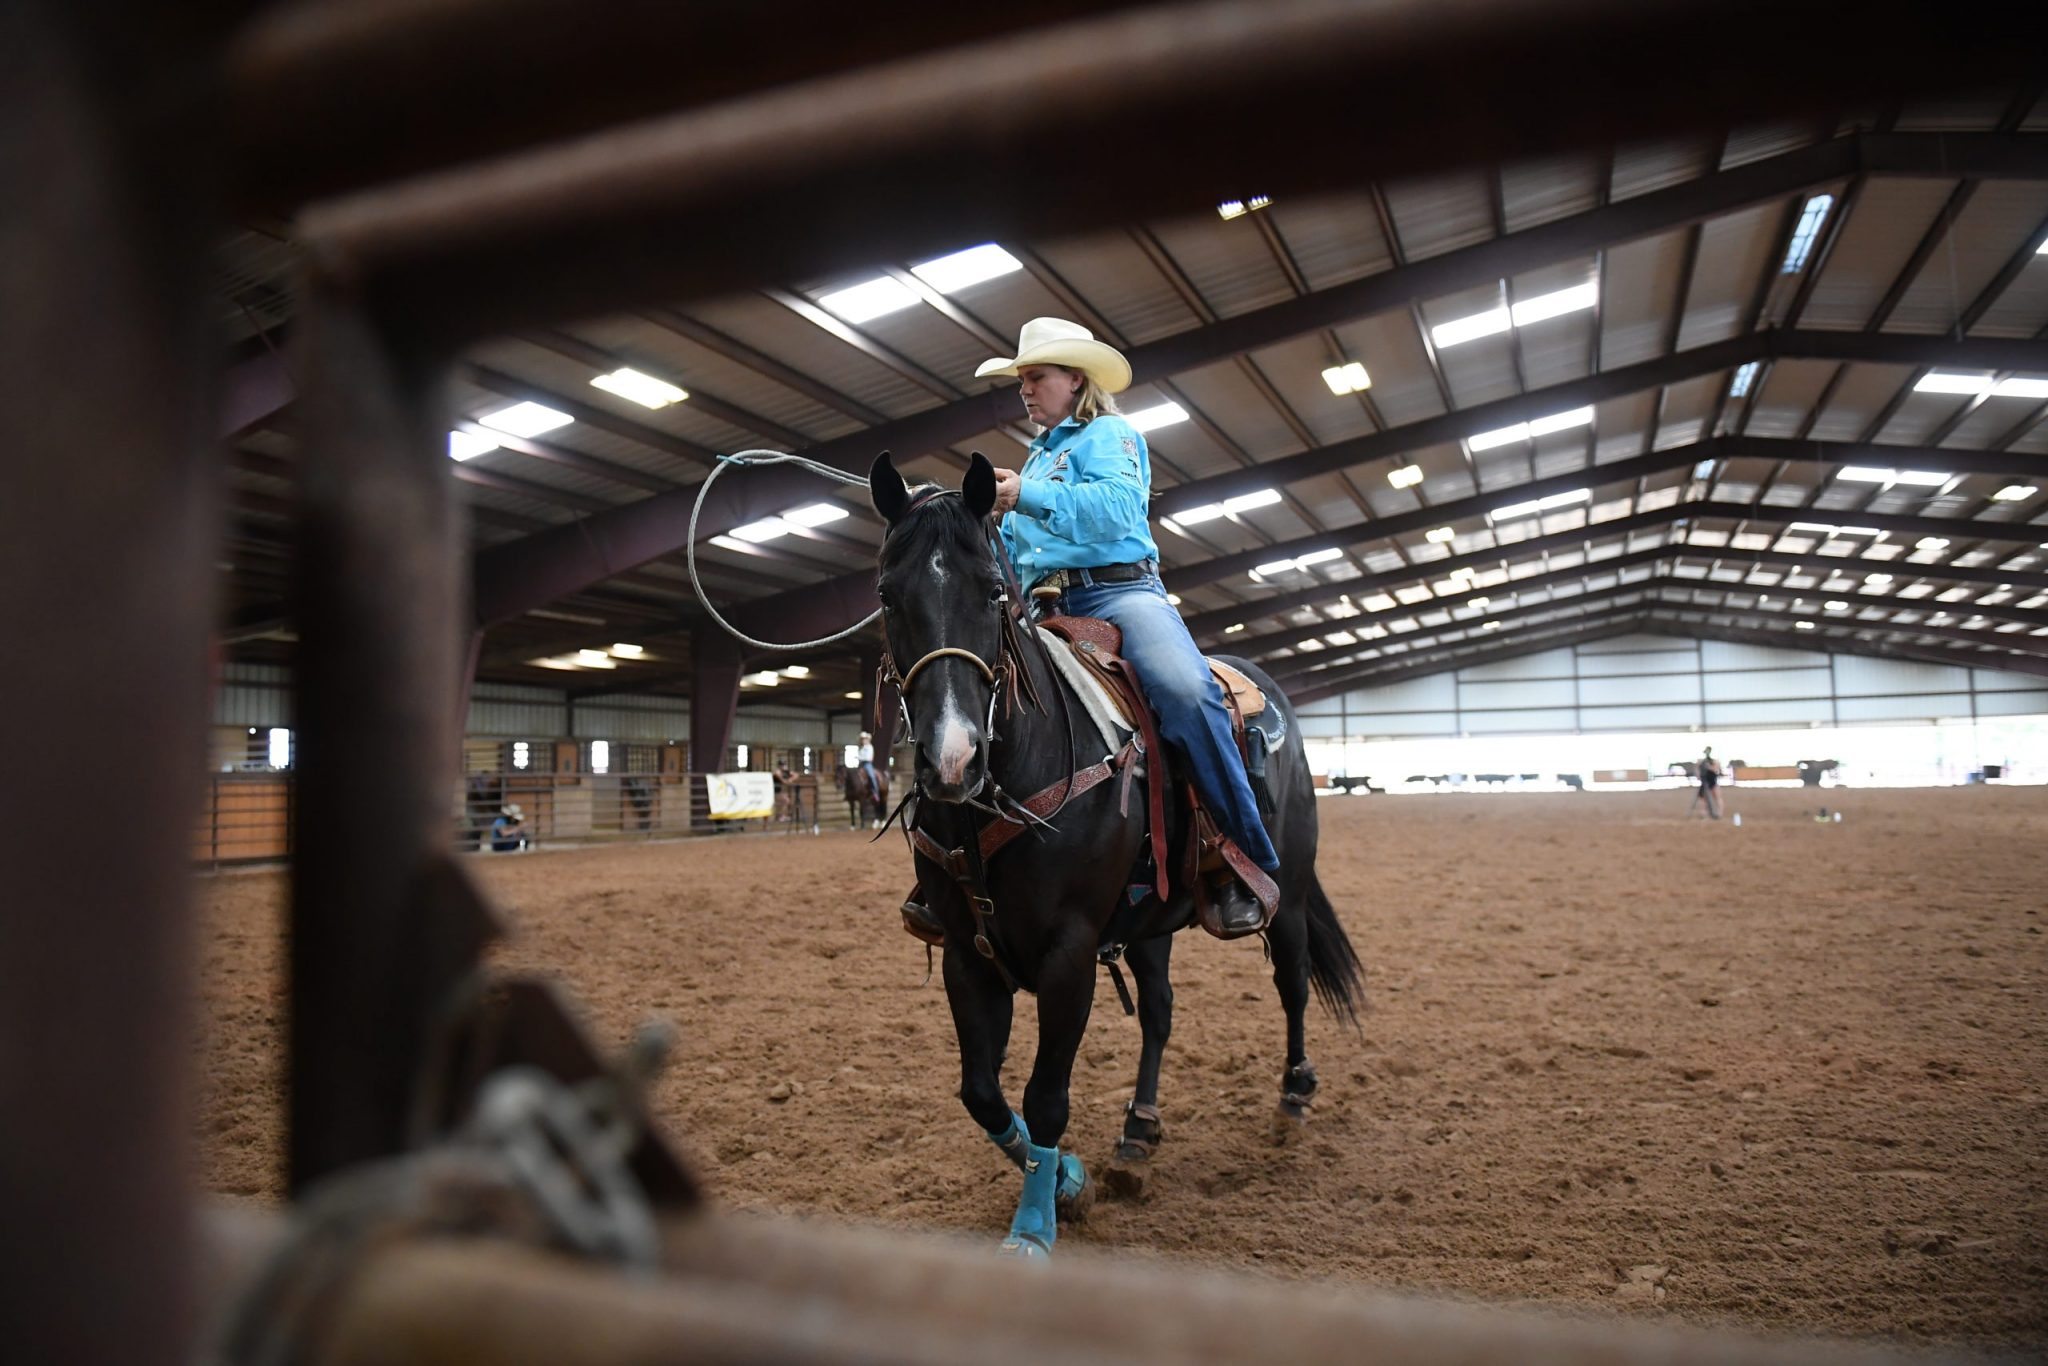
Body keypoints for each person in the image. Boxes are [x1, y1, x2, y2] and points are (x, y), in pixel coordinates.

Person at [932, 316, 1277, 939]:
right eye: (1021, 380)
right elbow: (1016, 555)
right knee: (967, 692)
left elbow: (1118, 508)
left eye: (1036, 377)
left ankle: (1234, 856)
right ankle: (949, 865)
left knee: (1186, 692)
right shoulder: (1037, 458)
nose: (1024, 390)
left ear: (1075, 379)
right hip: (1041, 609)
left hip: (1120, 595)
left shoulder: (1110, 435)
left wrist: (1026, 495)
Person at [1688, 746, 1723, 820]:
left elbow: (1716, 770)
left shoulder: (1714, 761)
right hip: (1704, 782)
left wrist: (1709, 767)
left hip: (1713, 782)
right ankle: (1703, 814)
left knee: (1717, 797)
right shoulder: (1701, 761)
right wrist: (1698, 775)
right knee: (1703, 799)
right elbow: (1697, 769)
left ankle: (1719, 813)